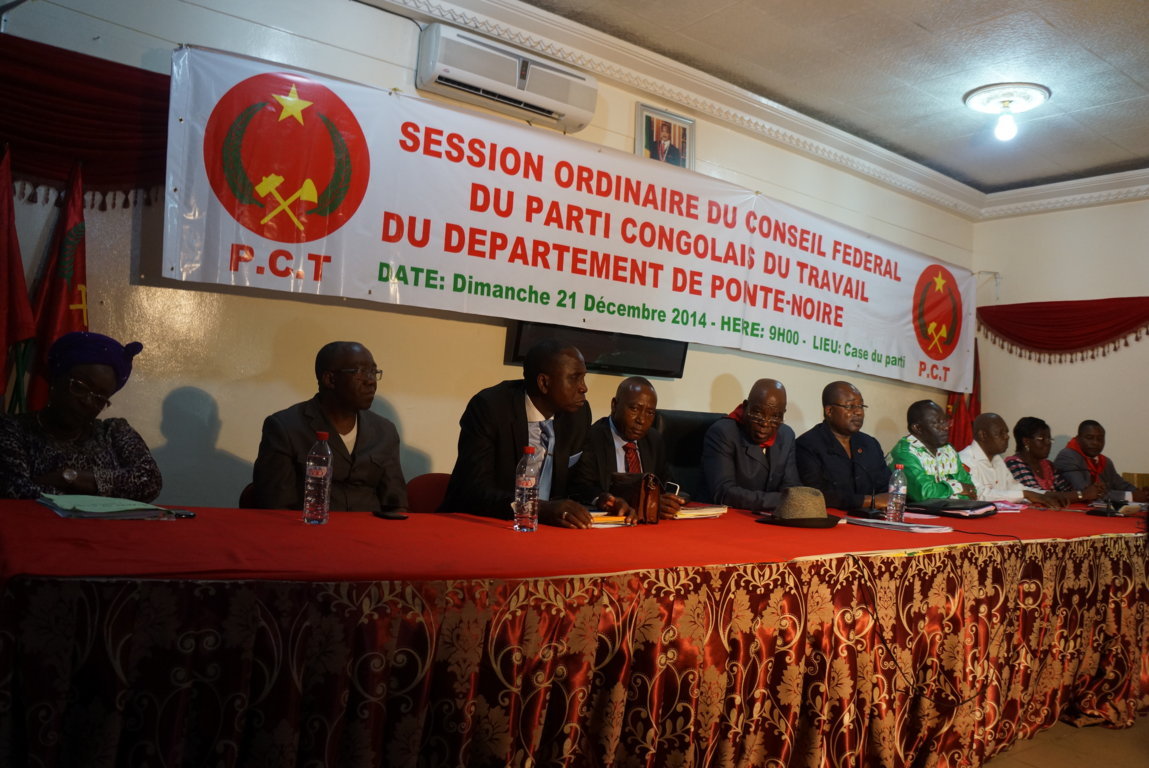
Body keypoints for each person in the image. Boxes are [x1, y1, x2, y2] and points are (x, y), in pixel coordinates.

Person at [440, 339, 592, 527]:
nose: (583, 387)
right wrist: (537, 508)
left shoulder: (578, 414)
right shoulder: (490, 408)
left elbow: (577, 483)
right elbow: (474, 491)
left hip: (547, 529)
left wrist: (601, 498)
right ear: (544, 383)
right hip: (483, 524)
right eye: (574, 378)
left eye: (583, 377)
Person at [251, 341, 408, 518]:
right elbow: (275, 507)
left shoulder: (384, 431)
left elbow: (396, 504)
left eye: (373, 371)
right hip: (310, 528)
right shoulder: (285, 427)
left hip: (370, 530)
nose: (370, 381)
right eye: (360, 371)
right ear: (330, 379)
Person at [0, 331, 161, 501]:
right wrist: (103, 488)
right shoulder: (12, 430)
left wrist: (68, 477)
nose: (87, 402)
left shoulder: (113, 432)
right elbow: (16, 491)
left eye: (100, 398)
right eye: (80, 387)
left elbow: (150, 481)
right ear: (56, 380)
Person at [569, 376, 686, 519]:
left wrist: (670, 500)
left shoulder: (654, 440)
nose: (641, 420)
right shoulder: (592, 438)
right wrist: (641, 502)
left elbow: (667, 484)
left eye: (650, 413)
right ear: (614, 405)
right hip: (612, 522)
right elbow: (581, 488)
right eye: (634, 409)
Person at [701, 378, 800, 511]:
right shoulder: (724, 432)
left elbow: (791, 486)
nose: (765, 423)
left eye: (775, 416)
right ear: (745, 406)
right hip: (724, 515)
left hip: (767, 516)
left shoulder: (786, 435)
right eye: (758, 413)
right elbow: (724, 492)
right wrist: (781, 500)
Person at [796, 381, 890, 512]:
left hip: (873, 519)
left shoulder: (870, 444)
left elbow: (887, 488)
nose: (859, 412)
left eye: (861, 406)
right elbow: (814, 494)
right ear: (829, 411)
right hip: (830, 519)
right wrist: (869, 501)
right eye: (850, 406)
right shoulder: (807, 445)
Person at [959, 413, 1063, 507]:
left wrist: (1046, 494)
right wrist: (1025, 494)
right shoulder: (964, 459)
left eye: (1006, 433)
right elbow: (977, 494)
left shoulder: (997, 459)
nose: (1007, 437)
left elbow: (1014, 487)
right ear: (983, 435)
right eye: (1000, 433)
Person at [886, 400, 976, 502]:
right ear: (917, 428)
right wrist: (959, 487)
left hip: (956, 509)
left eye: (945, 421)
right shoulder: (904, 453)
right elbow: (924, 493)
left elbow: (971, 489)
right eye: (937, 423)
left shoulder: (948, 450)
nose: (945, 427)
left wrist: (953, 490)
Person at [1005, 417, 1101, 503]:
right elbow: (1038, 496)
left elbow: (1067, 491)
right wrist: (1083, 495)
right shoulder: (1014, 464)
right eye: (1042, 439)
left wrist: (1091, 491)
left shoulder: (1047, 465)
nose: (1048, 443)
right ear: (1026, 441)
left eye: (1049, 439)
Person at [1053, 420, 1149, 502]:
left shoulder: (1105, 461)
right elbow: (1086, 492)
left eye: (1100, 439)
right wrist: (1130, 496)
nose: (1095, 443)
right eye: (1089, 438)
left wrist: (1141, 492)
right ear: (1078, 439)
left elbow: (1120, 484)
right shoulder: (1068, 456)